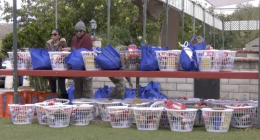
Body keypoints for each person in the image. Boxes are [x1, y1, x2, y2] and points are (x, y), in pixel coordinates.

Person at [70, 20, 93, 99]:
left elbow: (87, 51)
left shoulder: (87, 38)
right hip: (77, 67)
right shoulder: (74, 39)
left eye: (80, 31)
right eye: (77, 31)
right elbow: (73, 50)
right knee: (77, 88)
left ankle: (89, 106)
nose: (78, 33)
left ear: (84, 31)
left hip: (86, 66)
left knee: (88, 88)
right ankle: (77, 106)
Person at [45, 29, 70, 99]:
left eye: (55, 34)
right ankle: (53, 101)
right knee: (52, 86)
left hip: (61, 66)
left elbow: (66, 54)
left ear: (59, 36)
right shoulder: (48, 44)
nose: (53, 36)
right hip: (51, 67)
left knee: (62, 86)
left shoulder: (63, 43)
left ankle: (65, 100)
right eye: (52, 34)